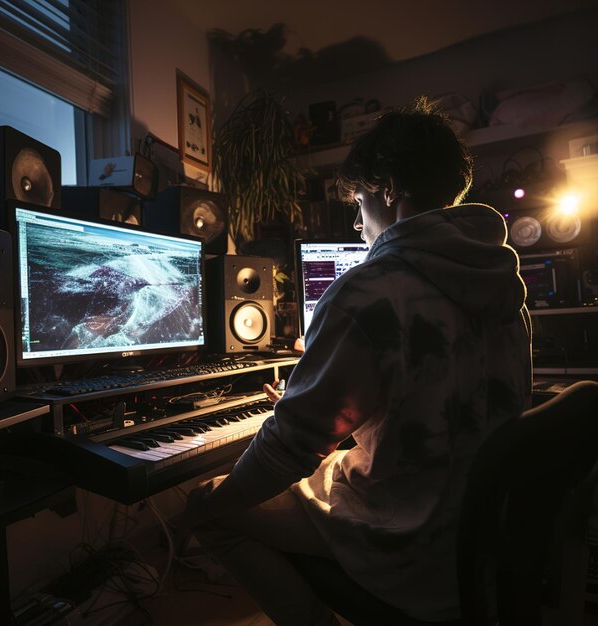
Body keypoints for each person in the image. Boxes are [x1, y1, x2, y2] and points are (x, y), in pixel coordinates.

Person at [181, 96, 533, 625]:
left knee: (209, 509)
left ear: (388, 190)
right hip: (482, 535)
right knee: (331, 466)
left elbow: (289, 450)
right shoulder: (505, 282)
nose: (358, 226)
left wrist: (233, 488)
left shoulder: (368, 290)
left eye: (360, 203)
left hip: (410, 544)